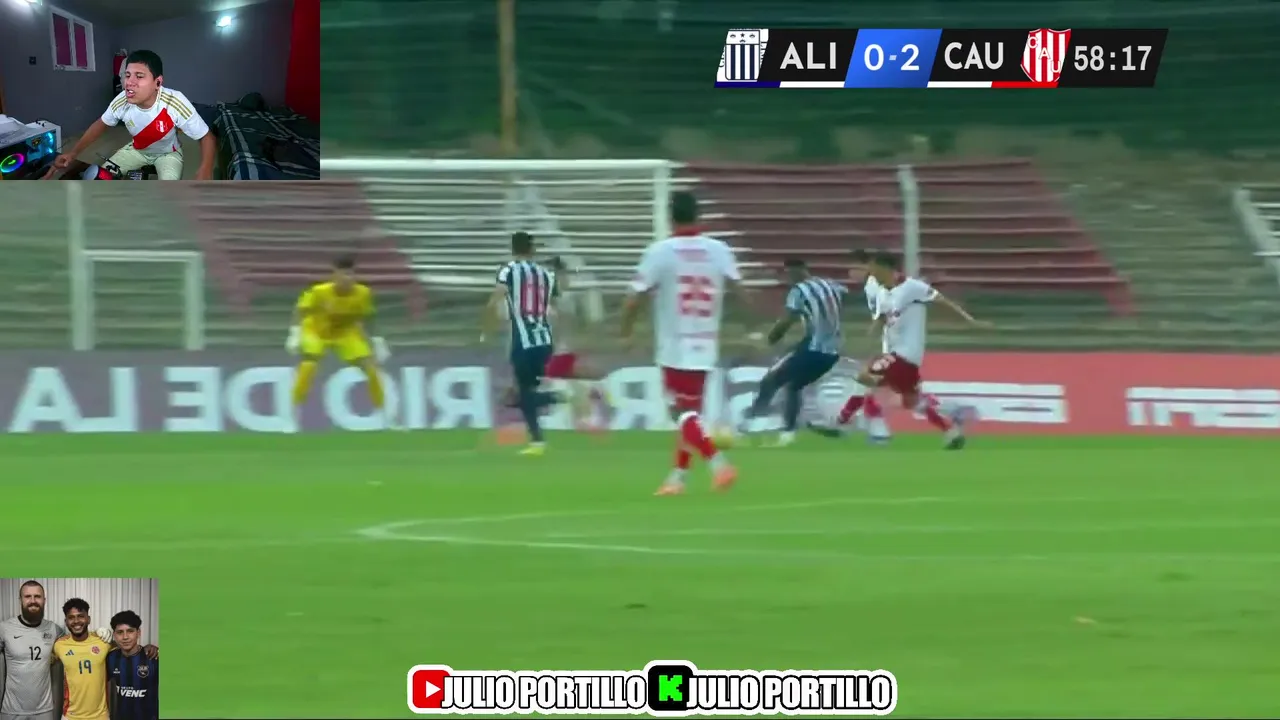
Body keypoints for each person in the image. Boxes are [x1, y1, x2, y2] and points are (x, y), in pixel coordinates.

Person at [621, 191, 748, 495]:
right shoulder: (718, 250)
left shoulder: (660, 251)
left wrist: (625, 330)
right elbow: (740, 290)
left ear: (670, 217)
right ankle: (677, 479)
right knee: (690, 415)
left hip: (675, 346)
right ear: (699, 215)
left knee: (679, 413)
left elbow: (634, 297)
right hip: (706, 341)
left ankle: (719, 464)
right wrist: (749, 324)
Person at [824, 253, 987, 449]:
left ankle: (842, 422)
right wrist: (866, 339)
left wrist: (970, 321)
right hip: (899, 355)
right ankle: (950, 432)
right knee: (912, 401)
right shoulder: (883, 292)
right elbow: (882, 319)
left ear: (886, 268)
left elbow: (941, 300)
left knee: (864, 377)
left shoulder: (912, 287)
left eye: (874, 269)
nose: (871, 273)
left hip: (906, 353)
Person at [45, 50, 215, 180]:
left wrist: (205, 169)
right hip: (137, 150)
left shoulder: (174, 101)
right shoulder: (122, 100)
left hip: (168, 154)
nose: (129, 83)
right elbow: (101, 124)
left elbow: (206, 136)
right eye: (127, 75)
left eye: (139, 76)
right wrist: (73, 153)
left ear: (158, 82)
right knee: (100, 178)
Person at [737, 258, 847, 447]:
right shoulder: (829, 284)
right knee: (794, 386)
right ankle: (790, 431)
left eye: (789, 273)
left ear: (793, 272)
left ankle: (749, 425)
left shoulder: (798, 291)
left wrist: (770, 339)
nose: (789, 277)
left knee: (771, 380)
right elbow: (844, 293)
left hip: (814, 349)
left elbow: (787, 320)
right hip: (833, 352)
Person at [286, 255, 394, 431]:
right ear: (334, 275)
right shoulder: (319, 291)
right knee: (308, 366)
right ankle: (293, 416)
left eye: (351, 274)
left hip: (346, 333)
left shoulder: (362, 293)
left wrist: (378, 341)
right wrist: (294, 334)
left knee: (372, 369)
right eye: (343, 274)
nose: (347, 279)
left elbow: (369, 317)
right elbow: (300, 310)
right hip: (316, 331)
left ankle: (385, 418)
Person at [482, 232, 561, 456]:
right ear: (532, 249)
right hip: (545, 341)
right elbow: (555, 308)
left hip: (523, 341)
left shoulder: (509, 271)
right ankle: (538, 440)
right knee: (521, 394)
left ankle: (541, 436)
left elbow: (494, 301)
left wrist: (486, 331)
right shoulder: (546, 274)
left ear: (513, 248)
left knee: (523, 395)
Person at [541, 257, 609, 431]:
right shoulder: (546, 306)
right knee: (591, 377)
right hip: (551, 359)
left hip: (561, 356)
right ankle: (589, 418)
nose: (566, 280)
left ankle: (586, 417)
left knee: (587, 379)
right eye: (562, 276)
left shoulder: (564, 302)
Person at [51, 600, 110, 720]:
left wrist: (146, 648)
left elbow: (127, 648)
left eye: (81, 616)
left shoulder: (103, 641)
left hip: (101, 715)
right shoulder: (59, 645)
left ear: (88, 619)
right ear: (66, 622)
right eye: (71, 617)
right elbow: (43, 659)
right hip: (71, 715)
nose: (76, 621)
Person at [105, 612, 157, 720]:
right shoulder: (111, 658)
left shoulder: (152, 657)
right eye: (120, 632)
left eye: (130, 631)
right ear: (114, 635)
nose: (125, 637)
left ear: (138, 633)